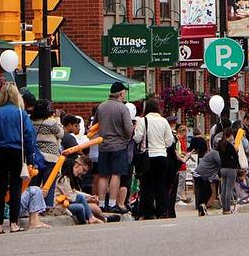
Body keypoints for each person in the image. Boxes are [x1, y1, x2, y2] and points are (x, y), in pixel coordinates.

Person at [0, 83, 37, 234]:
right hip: (17, 151)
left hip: (0, 151)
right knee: (15, 187)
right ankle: (14, 223)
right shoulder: (21, 114)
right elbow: (29, 135)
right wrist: (29, 154)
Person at [133, 100, 175, 219]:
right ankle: (162, 211)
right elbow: (169, 141)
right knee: (161, 185)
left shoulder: (143, 120)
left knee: (147, 185)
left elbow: (137, 138)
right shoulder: (164, 121)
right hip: (161, 156)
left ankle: (148, 212)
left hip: (148, 156)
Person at [96, 82, 133, 214]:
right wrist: (128, 137)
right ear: (121, 93)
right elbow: (129, 130)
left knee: (103, 175)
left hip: (103, 145)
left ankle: (101, 203)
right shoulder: (123, 108)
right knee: (116, 174)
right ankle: (112, 203)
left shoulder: (101, 107)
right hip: (118, 145)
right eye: (124, 93)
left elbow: (96, 125)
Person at [53, 156, 112, 224]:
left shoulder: (69, 179)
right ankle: (90, 219)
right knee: (82, 206)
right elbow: (71, 197)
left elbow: (74, 191)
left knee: (85, 206)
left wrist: (89, 197)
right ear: (77, 165)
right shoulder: (63, 179)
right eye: (84, 170)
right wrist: (87, 199)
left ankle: (95, 219)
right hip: (60, 205)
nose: (84, 173)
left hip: (68, 203)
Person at [217, 127, 240, 215]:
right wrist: (236, 150)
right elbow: (235, 157)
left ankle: (224, 208)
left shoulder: (220, 144)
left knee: (223, 189)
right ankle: (227, 208)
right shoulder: (230, 145)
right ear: (230, 135)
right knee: (229, 189)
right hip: (230, 169)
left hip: (222, 168)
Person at [192, 148, 220, 217]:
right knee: (204, 193)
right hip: (200, 175)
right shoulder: (215, 153)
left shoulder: (213, 153)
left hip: (202, 175)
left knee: (206, 193)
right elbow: (221, 163)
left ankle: (202, 210)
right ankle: (201, 209)